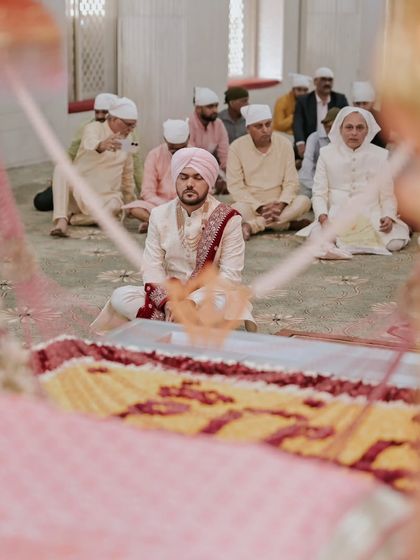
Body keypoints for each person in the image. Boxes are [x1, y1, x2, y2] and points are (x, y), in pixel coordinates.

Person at [90, 147, 256, 334]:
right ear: (175, 179)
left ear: (209, 181)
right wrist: (168, 302)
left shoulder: (229, 219)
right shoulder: (159, 215)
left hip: (209, 296)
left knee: (226, 302)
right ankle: (183, 325)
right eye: (183, 177)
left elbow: (230, 276)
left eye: (198, 177)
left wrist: (192, 302)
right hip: (171, 294)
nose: (190, 184)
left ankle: (163, 326)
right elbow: (152, 266)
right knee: (121, 296)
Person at [297, 107, 410, 253]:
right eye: (349, 127)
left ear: (367, 130)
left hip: (371, 216)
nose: (354, 133)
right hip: (336, 216)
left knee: (395, 243)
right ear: (340, 129)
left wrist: (388, 216)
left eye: (360, 128)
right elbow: (319, 193)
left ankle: (342, 244)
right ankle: (342, 241)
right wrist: (323, 218)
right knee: (316, 237)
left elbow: (387, 195)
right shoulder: (326, 154)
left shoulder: (380, 155)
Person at [50, 97, 138, 237]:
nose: (130, 129)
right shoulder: (93, 128)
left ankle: (77, 219)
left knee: (116, 204)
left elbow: (127, 175)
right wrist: (101, 145)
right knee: (61, 169)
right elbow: (89, 142)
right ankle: (61, 220)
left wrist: (131, 202)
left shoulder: (129, 141)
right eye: (128, 124)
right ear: (114, 119)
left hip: (106, 198)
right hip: (79, 192)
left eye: (133, 125)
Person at [227, 104, 311, 241]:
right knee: (236, 209)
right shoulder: (236, 147)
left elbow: (291, 182)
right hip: (251, 205)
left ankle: (254, 226)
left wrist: (281, 204)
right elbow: (235, 187)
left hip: (280, 204)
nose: (265, 130)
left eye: (268, 124)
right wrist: (260, 207)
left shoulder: (284, 143)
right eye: (259, 126)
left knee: (304, 201)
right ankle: (286, 224)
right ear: (248, 129)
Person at [33, 92, 118, 212]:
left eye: (104, 112)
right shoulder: (87, 127)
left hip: (107, 182)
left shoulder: (125, 132)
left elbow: (134, 161)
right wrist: (57, 181)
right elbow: (71, 154)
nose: (99, 116)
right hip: (82, 177)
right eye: (97, 112)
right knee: (41, 202)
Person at [122, 119, 190, 233]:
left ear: (188, 138)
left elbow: (203, 188)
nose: (177, 152)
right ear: (165, 140)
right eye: (173, 149)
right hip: (159, 205)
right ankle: (166, 224)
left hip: (186, 204)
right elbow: (147, 192)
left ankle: (156, 224)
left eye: (181, 148)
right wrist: (166, 206)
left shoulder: (197, 154)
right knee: (133, 209)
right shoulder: (154, 155)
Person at [293, 67, 348, 158]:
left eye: (330, 80)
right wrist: (300, 143)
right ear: (315, 81)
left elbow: (348, 120)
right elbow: (297, 122)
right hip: (309, 146)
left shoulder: (340, 99)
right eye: (323, 79)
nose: (327, 83)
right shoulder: (303, 101)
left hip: (334, 145)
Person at [298, 107, 340, 197]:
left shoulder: (347, 140)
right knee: (302, 200)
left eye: (332, 126)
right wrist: (319, 190)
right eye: (326, 126)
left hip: (336, 187)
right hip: (312, 184)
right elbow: (306, 168)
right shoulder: (314, 138)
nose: (328, 130)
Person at [188, 86, 229, 172]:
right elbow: (191, 157)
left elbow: (225, 155)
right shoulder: (188, 125)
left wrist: (227, 175)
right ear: (198, 108)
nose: (215, 110)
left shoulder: (218, 124)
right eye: (210, 107)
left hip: (210, 169)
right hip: (192, 170)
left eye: (216, 106)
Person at [352, 81, 387, 148]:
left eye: (365, 103)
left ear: (372, 103)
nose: (361, 107)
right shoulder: (349, 117)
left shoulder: (381, 120)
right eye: (358, 103)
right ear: (353, 104)